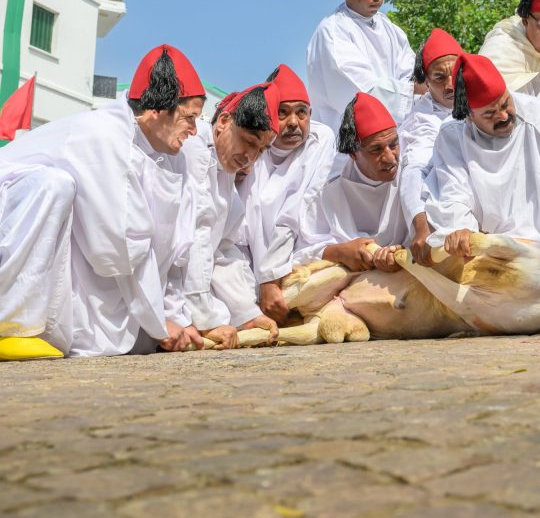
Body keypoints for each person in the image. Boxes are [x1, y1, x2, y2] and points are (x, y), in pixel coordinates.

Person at [0, 45, 207, 358]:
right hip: (12, 213)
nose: (194, 130)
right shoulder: (104, 136)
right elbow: (118, 245)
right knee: (53, 186)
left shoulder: (171, 156)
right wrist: (158, 323)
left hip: (91, 250)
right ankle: (10, 324)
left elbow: (171, 249)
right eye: (189, 118)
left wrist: (175, 317)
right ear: (157, 110)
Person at [426, 53, 540, 294]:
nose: (504, 116)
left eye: (505, 103)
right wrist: (461, 229)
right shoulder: (452, 135)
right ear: (469, 116)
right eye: (490, 114)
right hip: (491, 251)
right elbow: (453, 192)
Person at [176, 84, 282, 345]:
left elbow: (222, 249)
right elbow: (196, 239)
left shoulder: (225, 171)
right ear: (223, 121)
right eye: (249, 142)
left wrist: (246, 313)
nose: (250, 158)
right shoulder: (195, 149)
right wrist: (206, 320)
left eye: (261, 150)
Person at [236, 64, 336, 324]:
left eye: (301, 113)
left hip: (299, 263)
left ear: (310, 114)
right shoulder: (252, 148)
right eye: (283, 112)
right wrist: (250, 300)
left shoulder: (320, 140)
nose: (293, 122)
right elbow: (239, 234)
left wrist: (270, 279)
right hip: (251, 275)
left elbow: (294, 214)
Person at [306, 0, 418, 130]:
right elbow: (359, 90)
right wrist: (411, 92)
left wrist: (417, 86)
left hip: (393, 132)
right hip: (345, 135)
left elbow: (409, 68)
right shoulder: (333, 31)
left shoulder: (388, 26)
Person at [307, 92, 409, 274]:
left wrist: (402, 254)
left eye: (393, 145)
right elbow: (303, 249)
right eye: (376, 150)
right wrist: (341, 252)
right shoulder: (328, 189)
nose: (390, 158)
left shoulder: (410, 175)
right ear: (353, 153)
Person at [398, 28, 463, 266]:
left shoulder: (483, 99)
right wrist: (422, 228)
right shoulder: (423, 122)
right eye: (439, 78)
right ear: (425, 81)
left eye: (455, 74)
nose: (450, 85)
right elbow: (414, 170)